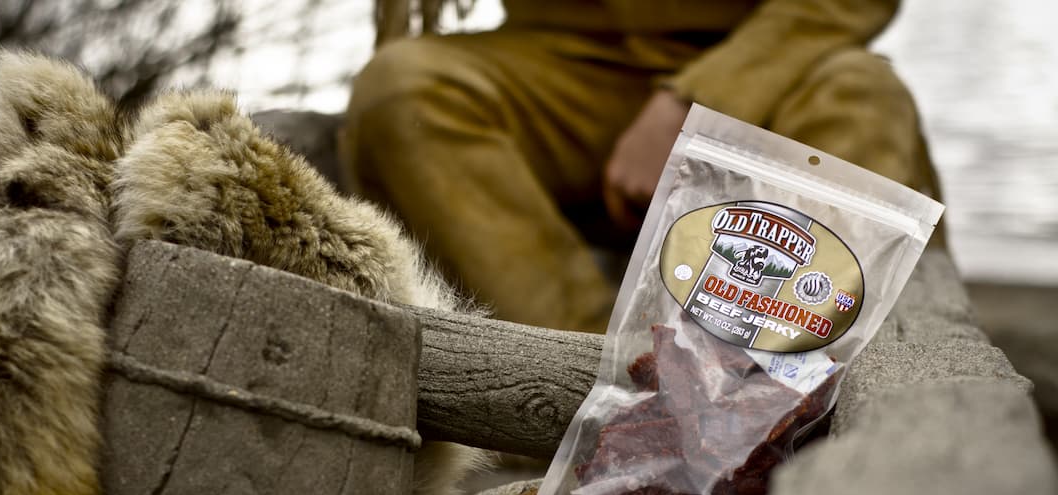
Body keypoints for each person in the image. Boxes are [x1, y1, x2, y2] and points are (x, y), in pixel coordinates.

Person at [341, 0, 942, 333]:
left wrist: (694, 98)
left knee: (862, 94)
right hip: (557, 66)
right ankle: (591, 380)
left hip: (765, 61)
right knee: (402, 89)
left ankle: (772, 376)